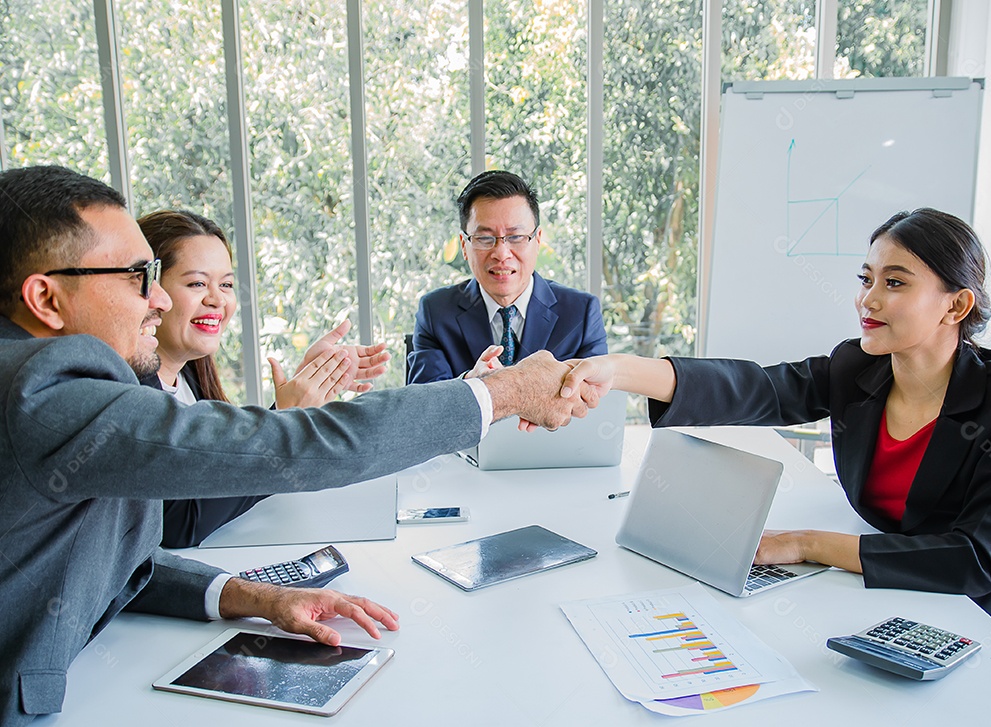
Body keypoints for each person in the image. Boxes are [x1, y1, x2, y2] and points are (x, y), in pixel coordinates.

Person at [0, 165, 593, 724]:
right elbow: (303, 445)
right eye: (138, 277)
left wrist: (252, 596)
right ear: (46, 299)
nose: (157, 299)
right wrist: (502, 392)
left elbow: (113, 563)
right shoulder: (43, 389)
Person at [561, 208, 991, 650]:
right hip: (880, 604)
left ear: (956, 306)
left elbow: (975, 560)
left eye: (895, 283)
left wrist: (808, 544)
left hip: (979, 625)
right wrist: (616, 370)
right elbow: (756, 388)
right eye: (866, 278)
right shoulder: (858, 366)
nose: (868, 299)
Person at [137, 209, 391, 547]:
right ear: (151, 291)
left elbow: (223, 474)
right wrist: (283, 420)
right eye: (197, 283)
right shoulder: (130, 395)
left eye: (226, 284)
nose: (217, 300)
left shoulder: (191, 378)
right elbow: (179, 524)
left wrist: (304, 395)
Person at [407, 170, 608, 383]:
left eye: (515, 237)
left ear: (537, 240)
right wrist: (470, 383)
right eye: (484, 238)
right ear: (464, 245)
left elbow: (597, 402)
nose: (501, 254)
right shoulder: (435, 313)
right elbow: (425, 405)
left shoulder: (581, 313)